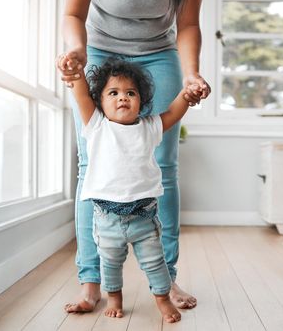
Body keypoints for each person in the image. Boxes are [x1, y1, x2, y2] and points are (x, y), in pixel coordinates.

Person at [57, 0, 211, 313]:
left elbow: (187, 24)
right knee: (91, 166)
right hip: (96, 49)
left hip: (159, 54)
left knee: (164, 168)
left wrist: (192, 74)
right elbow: (73, 13)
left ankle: (166, 278)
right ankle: (91, 282)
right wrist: (77, 49)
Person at [62, 56, 201, 322]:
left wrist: (187, 93)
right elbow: (80, 94)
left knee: (155, 263)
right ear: (100, 102)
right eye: (113, 93)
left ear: (141, 100)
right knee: (110, 264)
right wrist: (74, 71)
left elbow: (173, 112)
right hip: (106, 220)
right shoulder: (97, 125)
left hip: (144, 218)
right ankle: (114, 298)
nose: (122, 98)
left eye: (130, 93)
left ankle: (162, 298)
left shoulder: (150, 127)